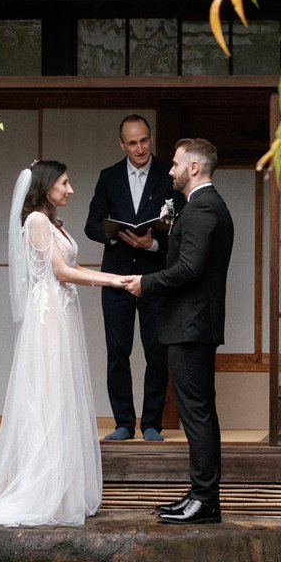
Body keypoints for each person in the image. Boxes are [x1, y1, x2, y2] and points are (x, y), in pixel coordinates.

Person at [0, 159, 127, 562]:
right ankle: (45, 487)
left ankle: (61, 489)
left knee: (62, 395)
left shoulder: (52, 221)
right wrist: (112, 279)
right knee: (49, 394)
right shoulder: (37, 220)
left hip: (61, 311)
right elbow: (58, 271)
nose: (71, 189)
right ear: (45, 187)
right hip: (49, 316)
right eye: (64, 183)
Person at [120, 138, 234, 525]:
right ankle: (200, 495)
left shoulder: (204, 208)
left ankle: (205, 501)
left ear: (194, 168)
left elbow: (190, 269)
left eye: (175, 164)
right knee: (198, 413)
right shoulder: (200, 206)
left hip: (191, 325)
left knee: (196, 415)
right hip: (191, 324)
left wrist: (145, 284)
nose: (169, 170)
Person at [83, 114, 176, 442]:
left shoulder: (169, 175)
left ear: (151, 139)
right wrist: (115, 234)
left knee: (156, 351)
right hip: (117, 276)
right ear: (122, 144)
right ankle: (123, 422)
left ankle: (151, 423)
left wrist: (152, 243)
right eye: (133, 142)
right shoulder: (108, 177)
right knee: (117, 350)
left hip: (155, 275)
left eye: (145, 140)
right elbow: (91, 224)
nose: (140, 148)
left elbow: (180, 227)